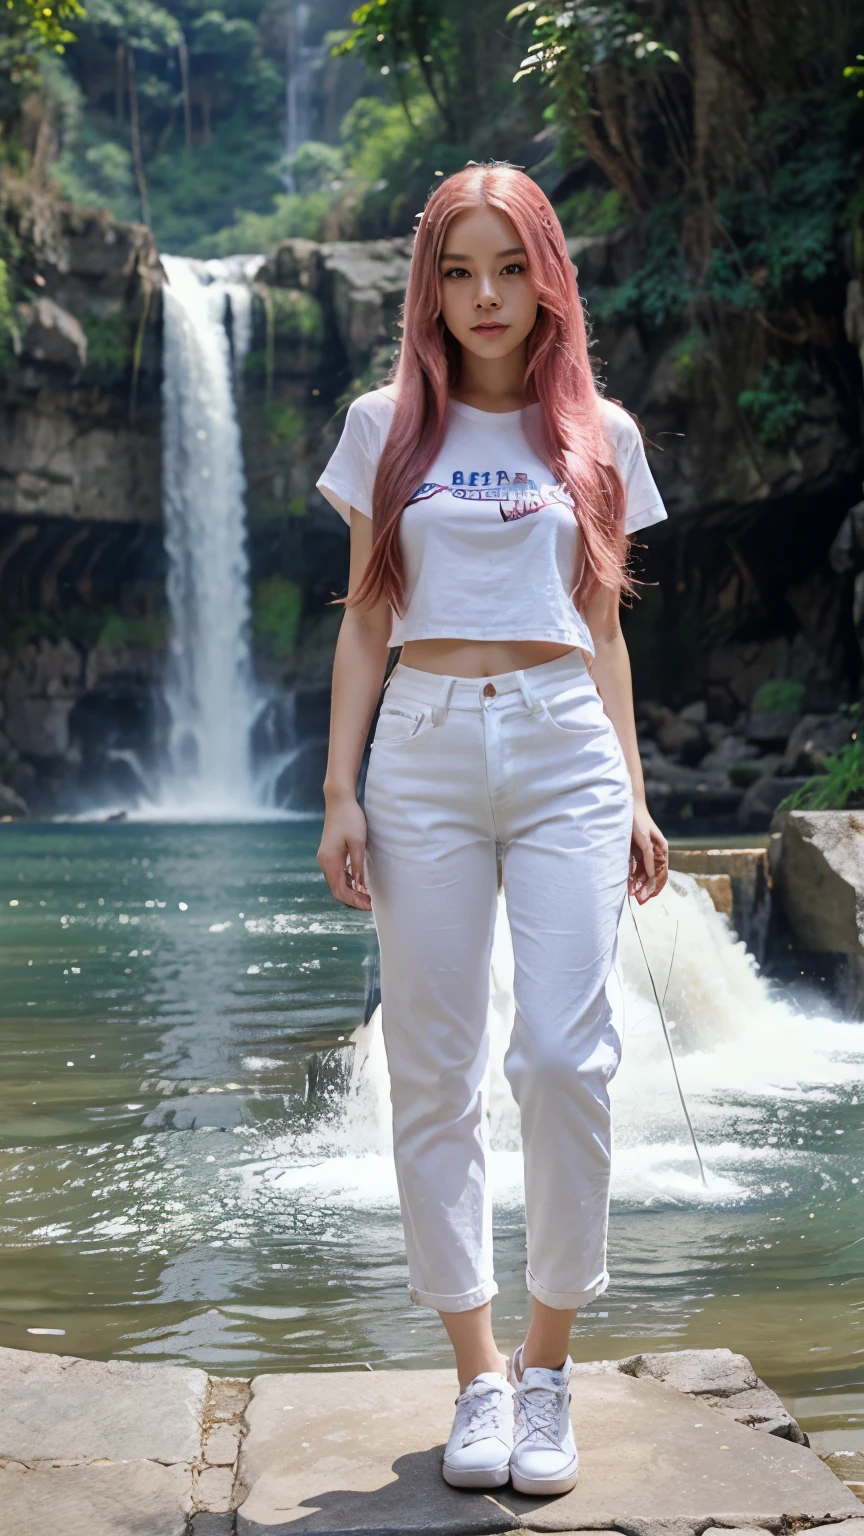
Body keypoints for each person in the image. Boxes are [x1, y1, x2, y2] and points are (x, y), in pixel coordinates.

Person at [315, 162, 669, 1498]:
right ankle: (475, 1373)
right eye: (458, 271)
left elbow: (608, 630)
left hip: (565, 739)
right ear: (429, 286)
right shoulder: (382, 428)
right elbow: (361, 620)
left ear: (547, 278)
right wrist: (341, 789)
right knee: (434, 1068)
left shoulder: (601, 437)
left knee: (568, 1057)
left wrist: (634, 788)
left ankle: (551, 1365)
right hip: (418, 748)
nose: (484, 296)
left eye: (509, 268)